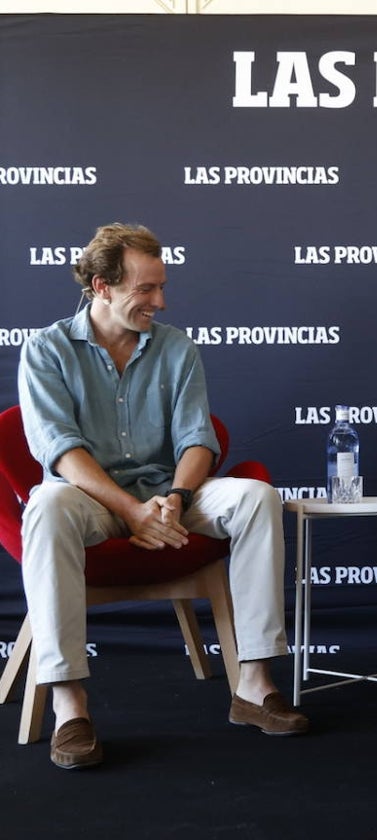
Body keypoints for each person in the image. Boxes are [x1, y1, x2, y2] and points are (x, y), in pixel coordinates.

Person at [18, 223, 308, 770]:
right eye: (145, 289)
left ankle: (254, 684)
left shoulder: (176, 347)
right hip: (92, 501)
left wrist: (174, 498)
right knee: (46, 503)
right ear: (102, 286)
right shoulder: (47, 349)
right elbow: (61, 453)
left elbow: (198, 438)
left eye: (161, 287)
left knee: (255, 497)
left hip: (167, 494)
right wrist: (130, 512)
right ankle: (69, 706)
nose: (161, 301)